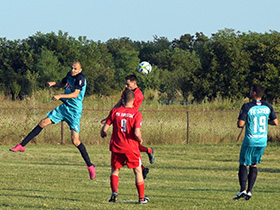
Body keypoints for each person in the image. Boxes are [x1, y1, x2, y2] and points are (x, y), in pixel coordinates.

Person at [9, 61, 96, 180]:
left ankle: (90, 166)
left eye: (75, 69)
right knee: (43, 122)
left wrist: (60, 96)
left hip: (74, 111)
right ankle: (22, 145)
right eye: (72, 68)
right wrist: (54, 83)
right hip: (64, 107)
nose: (73, 70)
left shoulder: (81, 78)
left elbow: (75, 94)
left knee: (75, 141)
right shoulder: (69, 75)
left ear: (80, 70)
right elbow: (63, 83)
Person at [101, 74, 155, 179]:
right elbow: (119, 104)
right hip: (123, 118)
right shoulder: (127, 92)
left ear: (135, 83)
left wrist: (116, 117)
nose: (126, 86)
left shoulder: (138, 95)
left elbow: (128, 108)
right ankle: (144, 162)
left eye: (128, 84)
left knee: (130, 145)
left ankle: (145, 159)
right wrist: (109, 117)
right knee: (127, 146)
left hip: (131, 121)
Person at [101, 89, 149, 204]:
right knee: (138, 171)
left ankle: (114, 192)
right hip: (131, 148)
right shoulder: (137, 114)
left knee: (115, 170)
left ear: (123, 99)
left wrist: (104, 133)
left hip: (117, 147)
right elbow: (137, 133)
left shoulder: (115, 111)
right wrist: (140, 139)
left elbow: (104, 129)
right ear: (133, 101)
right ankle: (141, 198)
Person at [233, 84, 278, 200]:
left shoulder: (248, 106)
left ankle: (242, 189)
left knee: (243, 163)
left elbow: (240, 124)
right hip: (262, 140)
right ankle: (249, 191)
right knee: (254, 164)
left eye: (251, 90)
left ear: (254, 93)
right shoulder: (268, 106)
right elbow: (276, 122)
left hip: (250, 139)